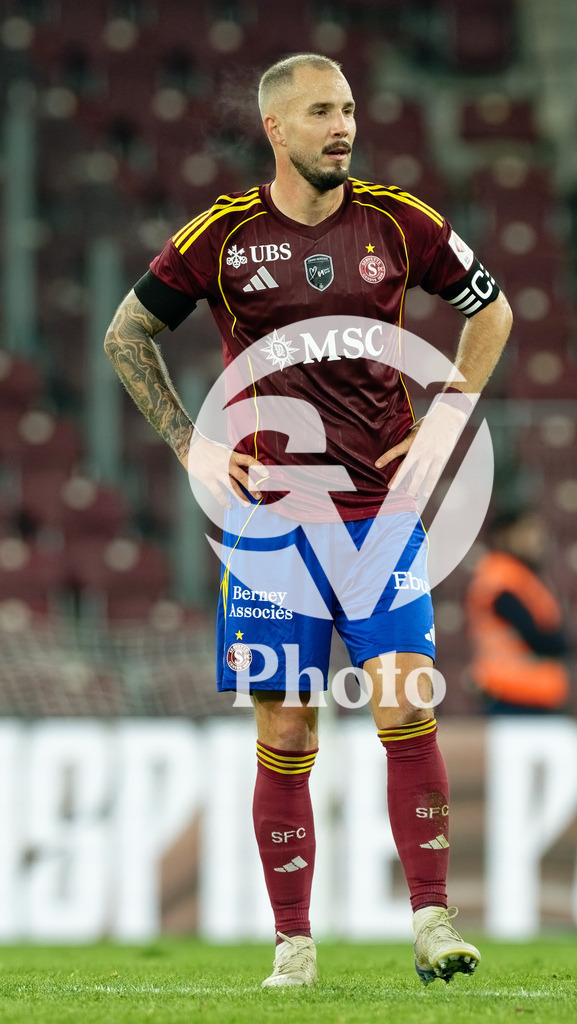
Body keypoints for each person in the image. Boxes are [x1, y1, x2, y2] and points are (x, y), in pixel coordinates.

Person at [104, 53, 512, 987]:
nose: (344, 126)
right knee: (288, 733)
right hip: (270, 529)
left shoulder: (402, 223)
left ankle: (433, 923)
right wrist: (190, 445)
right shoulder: (221, 236)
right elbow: (127, 334)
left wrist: (448, 411)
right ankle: (294, 944)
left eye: (350, 109)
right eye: (322, 111)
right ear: (276, 128)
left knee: (406, 702)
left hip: (380, 518)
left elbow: (491, 313)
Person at [465, 508, 572, 713]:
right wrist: (564, 644)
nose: (537, 538)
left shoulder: (523, 576)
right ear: (504, 536)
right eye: (527, 531)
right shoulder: (500, 578)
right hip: (511, 693)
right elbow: (536, 635)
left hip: (536, 692)